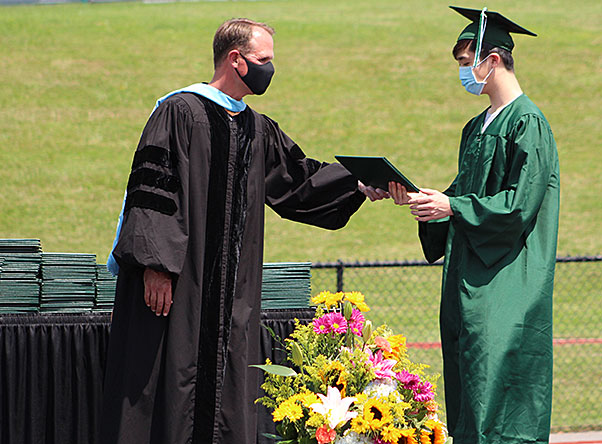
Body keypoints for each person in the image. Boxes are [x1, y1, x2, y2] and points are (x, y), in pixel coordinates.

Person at [100, 18, 386, 444]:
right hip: (180, 291)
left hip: (231, 297)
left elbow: (298, 183)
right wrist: (155, 268)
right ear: (236, 60)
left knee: (226, 394)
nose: (271, 69)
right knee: (165, 386)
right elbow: (153, 194)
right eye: (264, 60)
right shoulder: (179, 113)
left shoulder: (257, 128)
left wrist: (358, 182)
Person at [390, 7, 560, 444]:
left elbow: (519, 205)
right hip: (467, 280)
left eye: (468, 63)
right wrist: (422, 199)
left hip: (505, 281)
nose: (464, 73)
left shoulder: (528, 124)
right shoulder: (476, 128)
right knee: (467, 392)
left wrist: (454, 207)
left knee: (497, 392)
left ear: (495, 59)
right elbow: (463, 192)